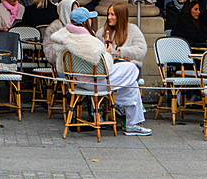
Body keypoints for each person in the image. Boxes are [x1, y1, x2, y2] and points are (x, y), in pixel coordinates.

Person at [50, 7, 152, 136]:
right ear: (86, 21)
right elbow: (104, 67)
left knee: (131, 84)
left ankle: (131, 123)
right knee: (131, 68)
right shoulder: (89, 41)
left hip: (75, 80)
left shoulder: (64, 34)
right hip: (92, 81)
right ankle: (131, 123)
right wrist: (109, 54)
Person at [97, 2, 147, 69]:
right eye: (108, 14)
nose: (109, 17)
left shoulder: (133, 29)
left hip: (129, 67)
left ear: (120, 16)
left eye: (112, 14)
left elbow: (141, 51)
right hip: (108, 67)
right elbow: (96, 51)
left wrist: (121, 52)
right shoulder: (101, 32)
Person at [42, 0, 79, 65]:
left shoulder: (79, 26)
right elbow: (48, 52)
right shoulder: (55, 27)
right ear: (65, 11)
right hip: (61, 64)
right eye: (73, 11)